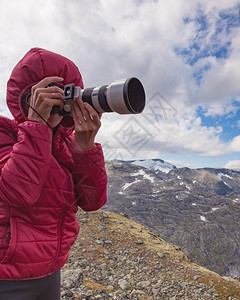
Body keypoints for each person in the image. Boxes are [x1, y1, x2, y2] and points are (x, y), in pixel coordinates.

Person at [0, 48, 107, 299]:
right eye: (48, 95)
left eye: (66, 96)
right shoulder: (6, 135)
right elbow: (18, 193)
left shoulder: (65, 146)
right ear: (28, 98)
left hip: (51, 268)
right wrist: (37, 125)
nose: (58, 104)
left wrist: (85, 147)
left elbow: (92, 202)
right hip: (7, 275)